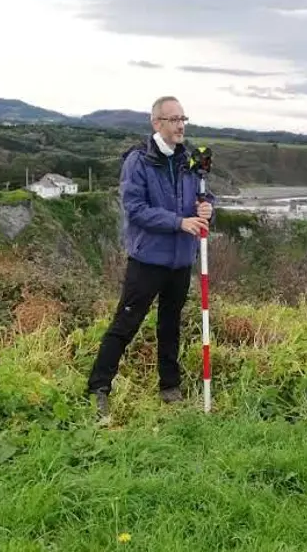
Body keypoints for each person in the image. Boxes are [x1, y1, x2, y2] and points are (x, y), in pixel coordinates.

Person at [86, 96, 215, 422]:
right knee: (126, 323)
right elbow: (136, 209)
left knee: (170, 324)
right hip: (148, 260)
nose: (181, 125)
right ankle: (99, 388)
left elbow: (204, 194)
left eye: (183, 118)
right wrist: (179, 222)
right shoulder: (139, 162)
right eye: (173, 119)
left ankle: (169, 387)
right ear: (156, 123)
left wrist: (206, 208)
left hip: (180, 260)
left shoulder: (190, 160)